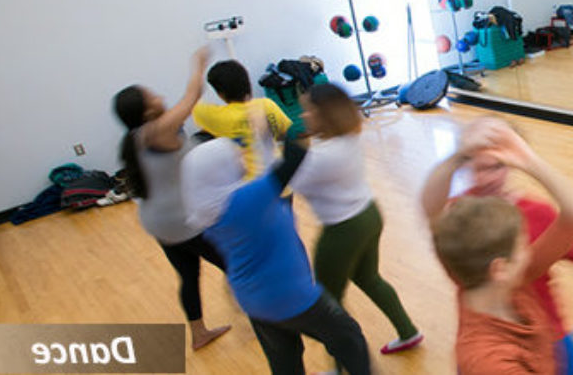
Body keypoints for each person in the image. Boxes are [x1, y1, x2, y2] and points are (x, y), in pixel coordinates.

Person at [422, 117, 573, 375]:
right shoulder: (488, 360)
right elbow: (430, 207)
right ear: (501, 266)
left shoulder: (509, 281)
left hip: (549, 342)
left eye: (496, 166)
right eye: (522, 246)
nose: (532, 253)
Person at [182, 114, 369, 375]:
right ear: (218, 170)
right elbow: (294, 158)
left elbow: (267, 174)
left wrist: (260, 143)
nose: (239, 157)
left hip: (254, 301)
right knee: (349, 338)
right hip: (289, 296)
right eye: (232, 157)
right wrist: (273, 130)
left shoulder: (209, 211)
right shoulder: (245, 201)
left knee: (285, 362)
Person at [288, 83, 423, 356]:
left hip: (343, 230)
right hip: (369, 215)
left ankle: (342, 364)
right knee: (370, 278)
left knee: (326, 302)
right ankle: (408, 332)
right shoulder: (346, 137)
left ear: (324, 115)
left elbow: (288, 182)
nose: (304, 117)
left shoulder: (321, 156)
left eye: (309, 111)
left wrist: (283, 144)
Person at [112, 46, 230, 351]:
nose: (157, 95)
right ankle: (270, 318)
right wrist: (198, 65)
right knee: (237, 263)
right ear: (146, 110)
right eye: (151, 95)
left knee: (188, 275)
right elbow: (191, 97)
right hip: (182, 220)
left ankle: (199, 333)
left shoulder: (136, 138)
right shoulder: (154, 131)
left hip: (159, 222)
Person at [195, 59, 293, 177]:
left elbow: (192, 100)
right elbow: (285, 133)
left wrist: (199, 69)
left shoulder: (217, 116)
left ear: (220, 93)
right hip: (280, 178)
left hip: (250, 186)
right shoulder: (266, 105)